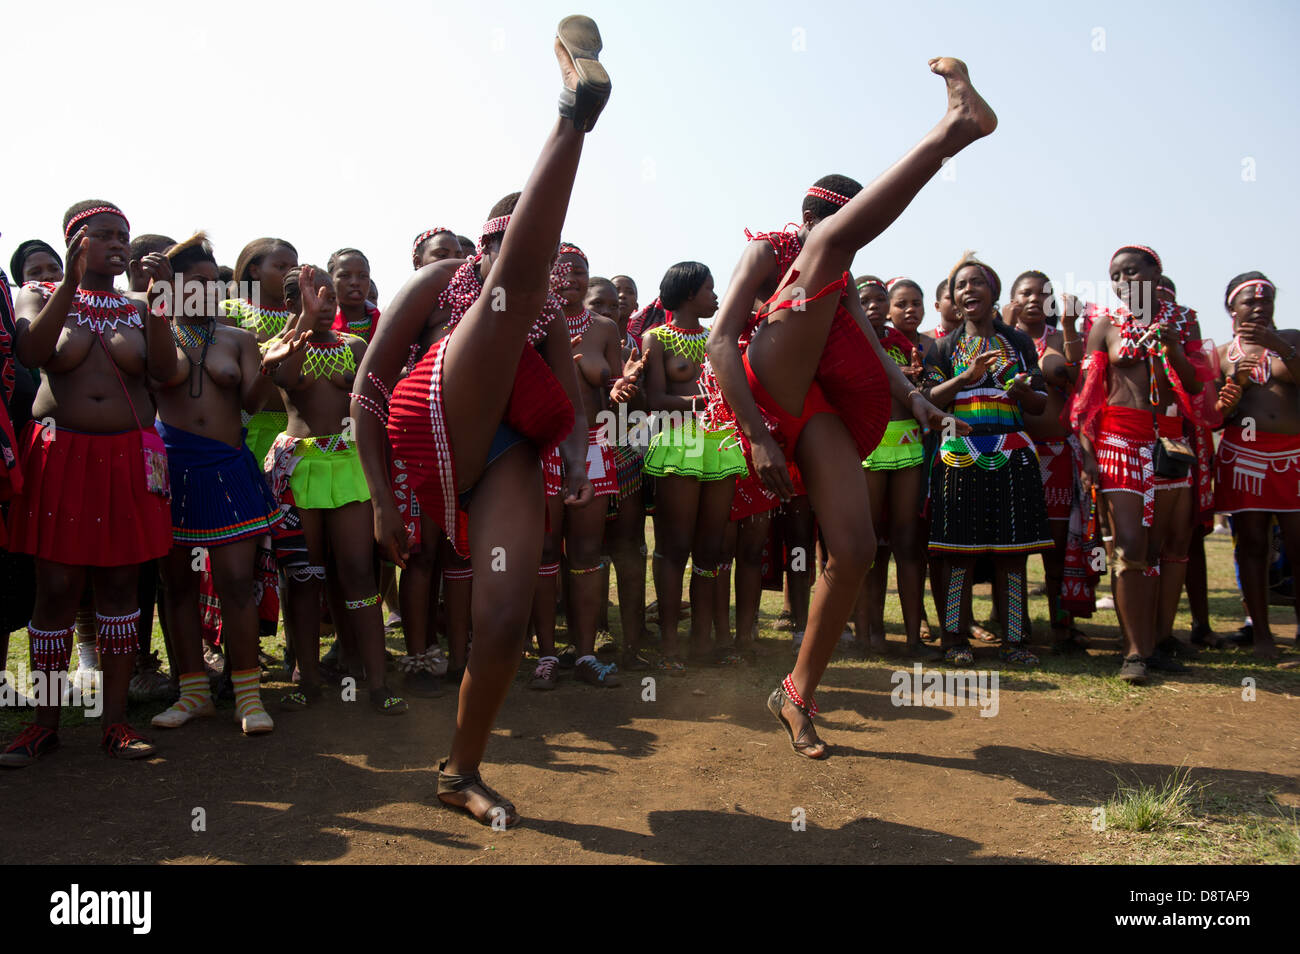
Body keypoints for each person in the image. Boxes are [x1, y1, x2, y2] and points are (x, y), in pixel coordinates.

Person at [350, 14, 612, 826]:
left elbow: (570, 410)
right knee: (510, 303)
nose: (513, 258)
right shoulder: (440, 282)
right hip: (428, 426)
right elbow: (366, 389)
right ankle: (572, 116)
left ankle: (459, 770)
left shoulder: (549, 323)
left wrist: (572, 457)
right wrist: (384, 501)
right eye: (501, 245)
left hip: (506, 455)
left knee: (500, 623)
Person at [706, 57, 990, 758]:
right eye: (830, 226)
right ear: (804, 217)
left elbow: (870, 348)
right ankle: (953, 129)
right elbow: (716, 343)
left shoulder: (837, 276)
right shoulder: (773, 250)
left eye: (848, 231)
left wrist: (918, 399)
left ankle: (797, 693)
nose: (837, 241)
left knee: (858, 549)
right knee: (831, 250)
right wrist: (760, 439)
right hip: (759, 393)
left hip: (820, 406)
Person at [2, 200, 178, 766]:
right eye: (103, 235)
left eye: (122, 235)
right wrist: (70, 285)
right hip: (63, 455)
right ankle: (43, 722)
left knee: (122, 590)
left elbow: (163, 372)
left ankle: (117, 721)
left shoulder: (136, 304)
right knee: (55, 589)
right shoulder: (40, 293)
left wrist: (158, 301)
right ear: (75, 241)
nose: (118, 243)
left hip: (128, 457)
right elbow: (32, 352)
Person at [148, 233, 304, 734]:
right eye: (197, 283)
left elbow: (253, 404)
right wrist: (155, 303)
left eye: (215, 282)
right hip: (171, 472)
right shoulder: (152, 331)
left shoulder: (237, 337)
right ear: (171, 289)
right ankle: (193, 692)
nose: (211, 291)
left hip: (228, 468)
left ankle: (248, 696)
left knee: (238, 584)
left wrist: (273, 368)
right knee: (177, 587)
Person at [265, 264, 407, 715]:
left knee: (357, 573)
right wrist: (303, 323)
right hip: (301, 466)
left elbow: (372, 406)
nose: (324, 306)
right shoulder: (280, 347)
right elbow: (285, 380)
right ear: (293, 304)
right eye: (314, 298)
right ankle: (307, 681)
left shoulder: (355, 345)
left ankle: (377, 684)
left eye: (328, 298)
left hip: (346, 464)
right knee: (303, 578)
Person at [1073, 245, 1212, 684]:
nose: (1122, 282)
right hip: (1118, 440)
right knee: (1132, 544)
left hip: (1170, 440)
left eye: (1132, 272)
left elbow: (1196, 384)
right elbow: (1087, 395)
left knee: (1170, 548)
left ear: (1156, 272)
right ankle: (1134, 653)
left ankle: (1158, 642)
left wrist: (1172, 349)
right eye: (1115, 275)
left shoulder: (1184, 321)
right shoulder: (1104, 324)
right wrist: (1088, 451)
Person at [923, 257, 1051, 667]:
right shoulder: (943, 347)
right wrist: (964, 378)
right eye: (961, 285)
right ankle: (955, 639)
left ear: (994, 293)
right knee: (957, 551)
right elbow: (926, 401)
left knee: (1013, 552)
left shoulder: (1019, 344)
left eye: (977, 283)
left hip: (1013, 453)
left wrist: (1019, 389)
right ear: (954, 299)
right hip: (959, 457)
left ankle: (1014, 640)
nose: (969, 290)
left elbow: (1038, 403)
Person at [530, 245, 640, 688]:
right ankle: (546, 655)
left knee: (587, 554)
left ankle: (586, 654)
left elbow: (614, 384)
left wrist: (618, 389)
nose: (572, 277)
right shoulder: (533, 322)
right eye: (563, 270)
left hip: (594, 444)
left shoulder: (605, 328)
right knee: (542, 553)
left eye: (581, 271)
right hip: (543, 446)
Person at [642, 263, 745, 669]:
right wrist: (705, 404)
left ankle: (703, 642)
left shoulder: (715, 340)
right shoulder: (657, 338)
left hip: (718, 444)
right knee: (673, 546)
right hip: (677, 443)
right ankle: (669, 643)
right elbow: (654, 400)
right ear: (688, 294)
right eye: (709, 289)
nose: (716, 297)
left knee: (711, 547)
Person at [1214, 272, 1300, 661]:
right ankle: (1261, 633)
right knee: (1251, 544)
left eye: (1266, 301)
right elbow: (1212, 418)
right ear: (1233, 308)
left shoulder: (1293, 340)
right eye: (1251, 301)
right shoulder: (1218, 355)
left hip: (1292, 456)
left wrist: (1278, 345)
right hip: (1243, 456)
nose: (1260, 307)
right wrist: (1233, 392)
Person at [857, 277, 938, 660]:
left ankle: (913, 639)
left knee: (907, 541)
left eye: (879, 299)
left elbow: (921, 388)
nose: (874, 306)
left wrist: (911, 382)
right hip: (868, 445)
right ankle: (868, 635)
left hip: (907, 442)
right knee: (868, 543)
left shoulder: (906, 346)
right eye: (864, 300)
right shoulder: (847, 343)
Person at [1008, 270, 1090, 652]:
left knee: (1056, 548)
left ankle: (1062, 625)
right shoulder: (1002, 339)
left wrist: (1071, 327)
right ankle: (1016, 624)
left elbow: (1079, 379)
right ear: (1012, 299)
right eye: (1024, 294)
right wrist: (1005, 326)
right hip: (1017, 451)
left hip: (1057, 455)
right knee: (1017, 546)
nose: (1032, 300)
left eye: (1042, 294)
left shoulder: (1060, 339)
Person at [329, 248, 379, 342]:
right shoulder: (320, 326)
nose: (355, 282)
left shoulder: (385, 323)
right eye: (345, 275)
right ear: (331, 280)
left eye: (363, 276)